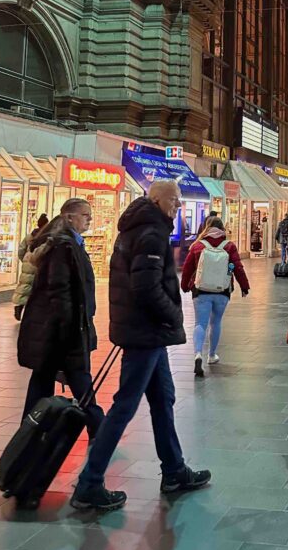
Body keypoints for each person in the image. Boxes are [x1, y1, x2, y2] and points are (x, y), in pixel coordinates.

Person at [71, 180, 210, 512]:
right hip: (145, 332)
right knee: (124, 407)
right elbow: (146, 287)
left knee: (164, 398)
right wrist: (174, 315)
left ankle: (174, 470)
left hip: (145, 332)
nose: (178, 207)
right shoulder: (150, 232)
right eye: (174, 201)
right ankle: (90, 483)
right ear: (158, 200)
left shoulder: (139, 227)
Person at [16, 199, 104, 443]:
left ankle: (29, 429)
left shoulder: (66, 243)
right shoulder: (63, 247)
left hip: (54, 328)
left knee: (43, 378)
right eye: (84, 215)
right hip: (63, 328)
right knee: (77, 376)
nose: (89, 219)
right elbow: (60, 291)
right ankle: (98, 425)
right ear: (68, 218)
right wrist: (70, 329)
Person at [181, 216, 249, 377]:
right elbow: (236, 267)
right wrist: (244, 286)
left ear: (206, 227)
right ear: (222, 229)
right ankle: (212, 355)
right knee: (216, 321)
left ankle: (198, 354)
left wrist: (184, 286)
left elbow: (187, 268)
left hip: (201, 290)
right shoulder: (229, 246)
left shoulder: (197, 245)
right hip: (222, 290)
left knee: (200, 323)